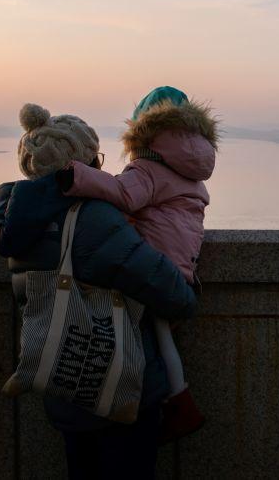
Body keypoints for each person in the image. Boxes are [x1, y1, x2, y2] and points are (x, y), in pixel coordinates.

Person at [0, 103, 197, 479]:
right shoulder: (93, 220)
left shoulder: (14, 220)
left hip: (63, 384)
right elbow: (170, 292)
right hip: (116, 386)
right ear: (82, 166)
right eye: (95, 159)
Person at [55, 85, 217, 442]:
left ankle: (178, 407)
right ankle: (179, 403)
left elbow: (125, 193)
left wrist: (77, 176)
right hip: (182, 268)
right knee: (164, 340)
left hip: (155, 267)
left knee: (149, 342)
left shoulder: (148, 169)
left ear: (143, 128)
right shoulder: (191, 172)